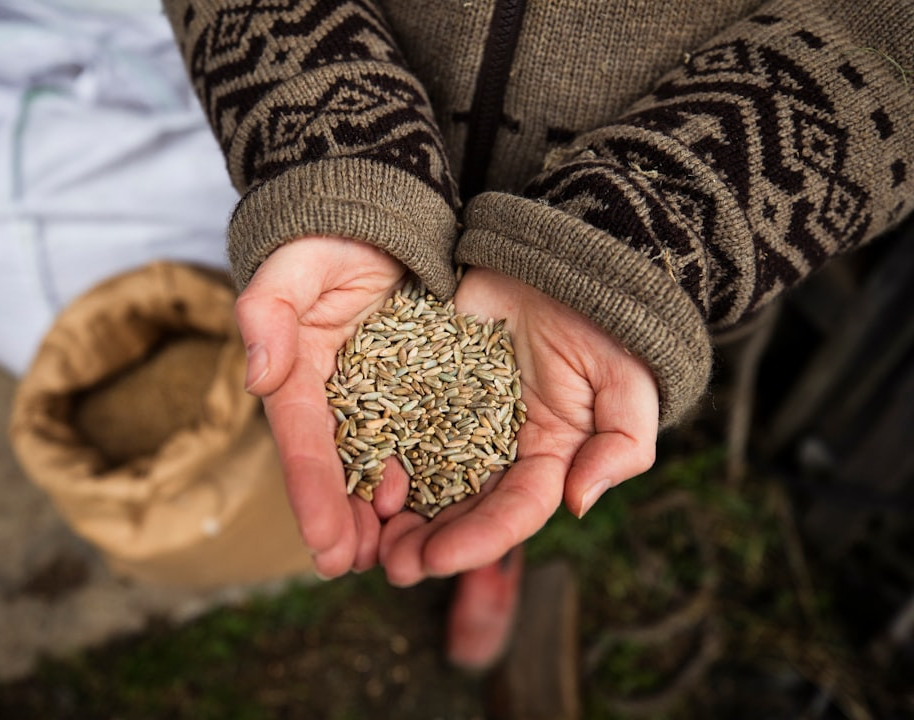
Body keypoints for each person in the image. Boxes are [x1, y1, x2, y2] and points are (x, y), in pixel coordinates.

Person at [162, 0, 913, 668]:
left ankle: (501, 548)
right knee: (315, 382)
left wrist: (669, 217)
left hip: (651, 262)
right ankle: (440, 517)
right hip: (363, 175)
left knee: (556, 437)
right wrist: (322, 129)